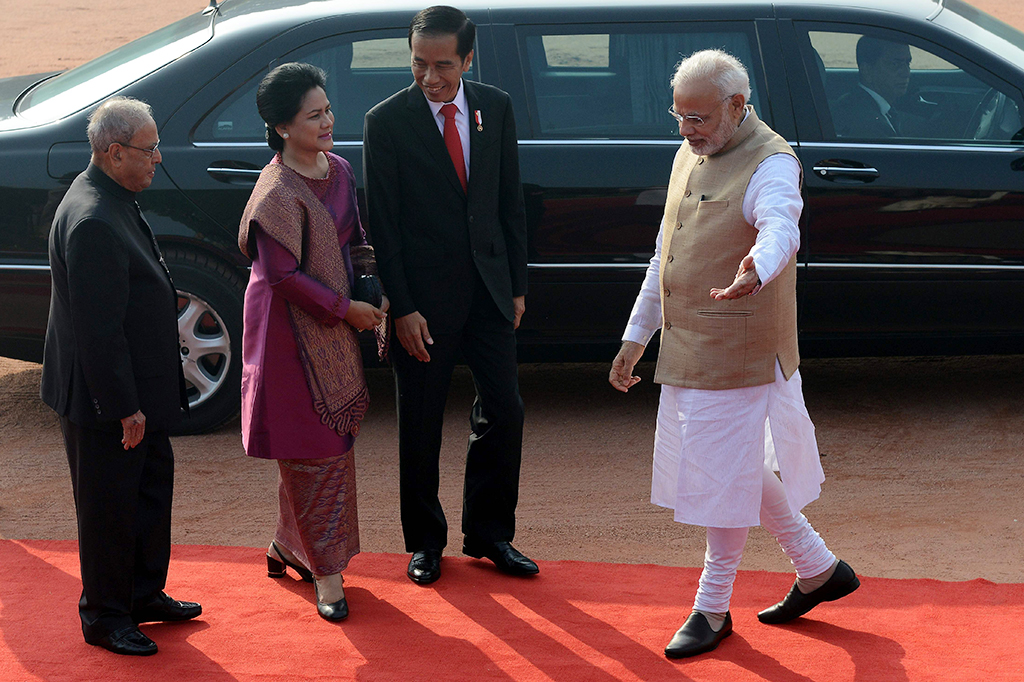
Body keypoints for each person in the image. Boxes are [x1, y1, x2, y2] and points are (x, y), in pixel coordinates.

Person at [609, 50, 859, 659]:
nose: (686, 129)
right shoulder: (690, 152)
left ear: (737, 106)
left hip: (742, 351)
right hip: (690, 348)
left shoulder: (772, 161)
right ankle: (819, 568)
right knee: (735, 466)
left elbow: (781, 226)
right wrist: (635, 338)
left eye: (696, 117)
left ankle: (712, 607)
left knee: (723, 475)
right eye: (678, 116)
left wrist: (758, 266)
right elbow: (665, 256)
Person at [363, 5, 535, 585]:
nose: (430, 77)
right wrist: (403, 307)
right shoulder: (387, 121)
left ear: (467, 59)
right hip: (423, 304)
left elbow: (509, 201)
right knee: (421, 422)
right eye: (419, 63)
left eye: (443, 65)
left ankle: (489, 534)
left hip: (490, 292)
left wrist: (516, 286)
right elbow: (383, 226)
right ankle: (425, 542)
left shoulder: (495, 107)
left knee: (504, 410)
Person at [40, 97, 200, 656]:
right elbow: (98, 332)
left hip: (137, 390)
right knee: (109, 510)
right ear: (114, 153)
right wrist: (124, 407)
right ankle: (106, 617)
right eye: (149, 149)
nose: (159, 157)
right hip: (106, 401)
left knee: (149, 495)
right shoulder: (93, 220)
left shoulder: (110, 196)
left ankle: (141, 594)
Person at [238, 63, 387, 621]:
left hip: (331, 323)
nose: (328, 122)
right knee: (313, 450)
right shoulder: (275, 193)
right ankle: (327, 573)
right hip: (285, 335)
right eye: (314, 115)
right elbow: (282, 276)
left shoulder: (339, 169)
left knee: (325, 445)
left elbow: (356, 240)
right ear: (282, 127)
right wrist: (346, 310)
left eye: (327, 110)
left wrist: (369, 284)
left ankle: (288, 544)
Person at [833, 36, 913, 138]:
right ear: (867, 71)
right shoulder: (864, 123)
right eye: (895, 64)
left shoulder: (860, 105)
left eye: (907, 63)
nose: (906, 73)